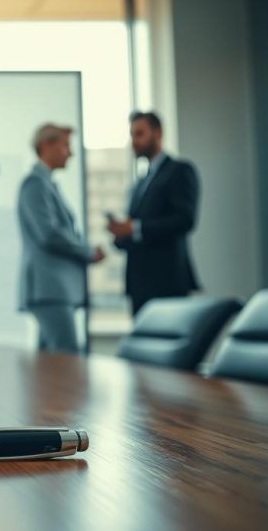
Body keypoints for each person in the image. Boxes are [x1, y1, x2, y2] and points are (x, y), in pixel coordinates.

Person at [17, 123, 105, 353]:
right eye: (66, 146)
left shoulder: (46, 185)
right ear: (46, 146)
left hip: (53, 289)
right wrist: (87, 251)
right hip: (50, 288)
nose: (71, 153)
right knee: (67, 358)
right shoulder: (35, 184)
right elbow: (49, 234)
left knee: (49, 365)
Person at [107, 111, 200, 316]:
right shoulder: (139, 183)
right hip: (139, 285)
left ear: (157, 133)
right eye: (131, 135)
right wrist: (121, 233)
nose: (134, 141)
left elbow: (185, 220)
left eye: (139, 134)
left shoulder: (179, 171)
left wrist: (135, 227)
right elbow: (134, 231)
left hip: (167, 282)